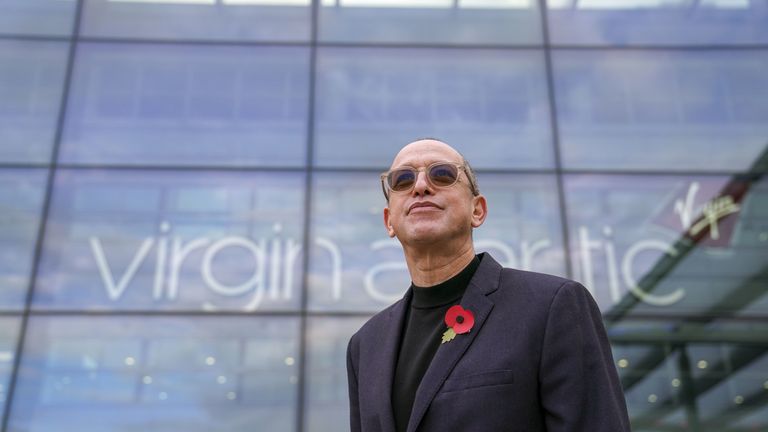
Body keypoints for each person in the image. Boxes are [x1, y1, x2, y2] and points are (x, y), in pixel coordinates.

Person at [346, 139, 631, 432]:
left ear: (477, 211)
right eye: (402, 180)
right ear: (388, 221)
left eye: (442, 174)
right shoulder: (365, 345)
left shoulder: (553, 306)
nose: (420, 186)